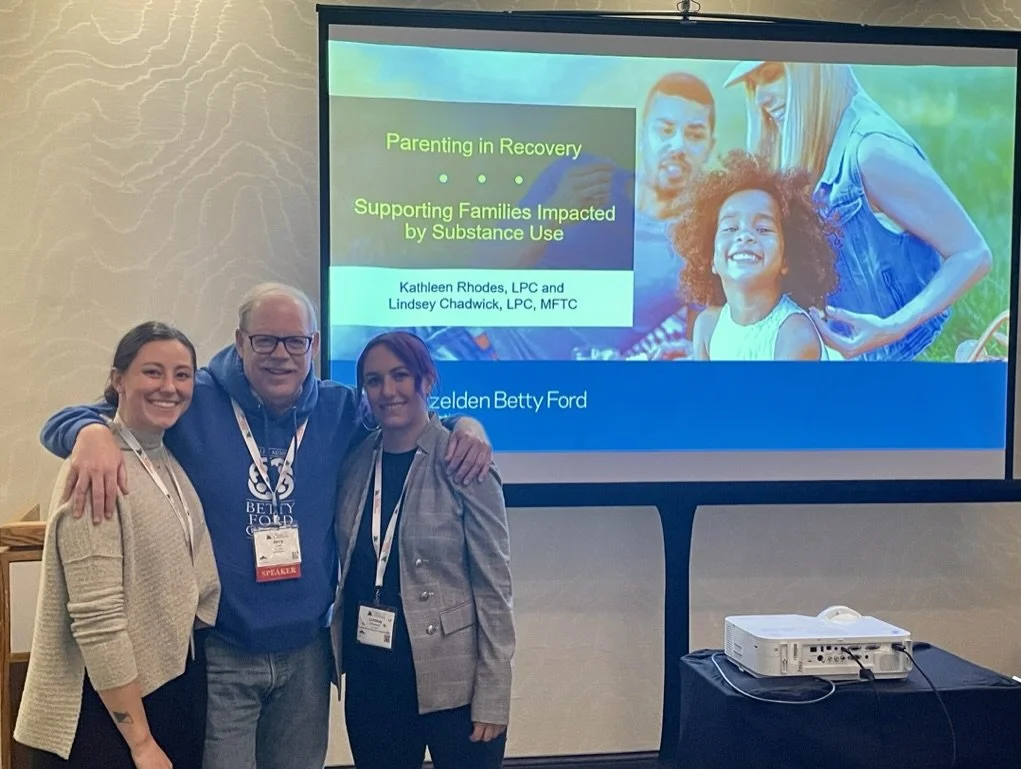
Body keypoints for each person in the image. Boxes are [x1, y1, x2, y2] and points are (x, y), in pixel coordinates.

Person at [39, 283, 494, 769]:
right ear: (240, 341)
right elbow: (95, 414)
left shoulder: (339, 408)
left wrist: (466, 424)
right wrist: (86, 433)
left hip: (307, 655)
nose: (282, 355)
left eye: (295, 342)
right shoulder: (198, 398)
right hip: (225, 652)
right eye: (265, 341)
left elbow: (405, 414)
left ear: (313, 347)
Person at [333, 71, 717, 363]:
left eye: (695, 134)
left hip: (516, 389)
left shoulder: (704, 243)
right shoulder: (580, 173)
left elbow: (706, 337)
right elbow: (487, 266)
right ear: (641, 133)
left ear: (710, 147)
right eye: (665, 129)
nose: (678, 146)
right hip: (445, 326)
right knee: (337, 345)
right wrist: (555, 213)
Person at [16, 322, 220, 769]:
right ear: (117, 379)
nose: (169, 387)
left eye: (182, 375)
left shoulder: (162, 456)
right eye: (153, 372)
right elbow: (97, 621)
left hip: (166, 689)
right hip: (105, 714)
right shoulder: (96, 471)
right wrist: (142, 742)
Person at [725, 61, 992, 361]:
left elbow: (973, 253)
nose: (761, 98)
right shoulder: (813, 144)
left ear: (812, 71)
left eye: (772, 75)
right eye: (753, 85)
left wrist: (893, 327)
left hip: (912, 360)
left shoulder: (871, 151)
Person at [332, 331, 514, 769]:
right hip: (373, 681)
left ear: (426, 379)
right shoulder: (355, 461)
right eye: (374, 381)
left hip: (454, 682)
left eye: (401, 376)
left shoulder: (462, 459)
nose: (388, 391)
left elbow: (495, 588)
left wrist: (494, 692)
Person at [675, 151, 840, 361]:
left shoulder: (794, 335)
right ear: (712, 259)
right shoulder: (707, 326)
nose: (744, 236)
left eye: (762, 229)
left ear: (787, 259)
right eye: (730, 227)